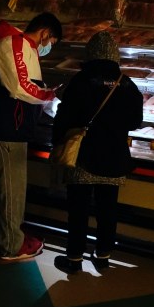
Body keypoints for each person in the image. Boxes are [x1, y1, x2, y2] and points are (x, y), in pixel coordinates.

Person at [51, 31, 144, 274]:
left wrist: (58, 142)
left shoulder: (81, 80)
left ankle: (73, 259)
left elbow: (64, 115)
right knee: (108, 209)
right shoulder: (127, 83)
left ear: (90, 53)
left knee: (78, 209)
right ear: (115, 55)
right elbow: (136, 121)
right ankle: (103, 255)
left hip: (83, 156)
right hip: (114, 156)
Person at [0, 12, 62, 261]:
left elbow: (31, 88)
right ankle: (11, 246)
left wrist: (53, 105)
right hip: (3, 129)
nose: (49, 47)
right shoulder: (13, 43)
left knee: (16, 188)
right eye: (52, 42)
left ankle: (15, 235)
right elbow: (19, 87)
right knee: (12, 189)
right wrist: (49, 97)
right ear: (45, 32)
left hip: (14, 129)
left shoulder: (27, 50)